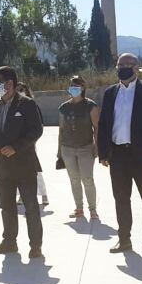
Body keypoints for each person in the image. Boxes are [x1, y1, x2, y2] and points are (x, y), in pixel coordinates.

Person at [97, 53, 142, 255]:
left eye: (128, 64)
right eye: (120, 64)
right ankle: (124, 239)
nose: (124, 67)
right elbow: (103, 124)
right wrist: (103, 152)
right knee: (121, 199)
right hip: (118, 155)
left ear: (137, 68)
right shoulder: (110, 93)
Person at [0, 66, 44, 258]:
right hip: (3, 167)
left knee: (31, 206)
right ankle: (9, 241)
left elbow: (36, 131)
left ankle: (35, 245)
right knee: (6, 206)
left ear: (10, 83)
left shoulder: (26, 104)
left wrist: (16, 147)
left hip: (24, 165)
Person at [58, 76, 100, 220]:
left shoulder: (90, 106)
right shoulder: (64, 107)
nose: (73, 88)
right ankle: (79, 208)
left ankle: (93, 209)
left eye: (76, 85)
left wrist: (97, 146)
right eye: (71, 85)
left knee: (87, 179)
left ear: (82, 87)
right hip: (67, 148)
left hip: (85, 147)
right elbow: (61, 130)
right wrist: (59, 152)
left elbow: (96, 127)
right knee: (74, 179)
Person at [15, 81, 48, 206]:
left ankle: (44, 194)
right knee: (17, 171)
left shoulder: (32, 105)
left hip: (29, 144)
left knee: (35, 169)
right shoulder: (13, 106)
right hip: (16, 145)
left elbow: (39, 126)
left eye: (22, 89)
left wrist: (31, 141)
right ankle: (21, 196)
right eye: (18, 89)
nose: (20, 91)